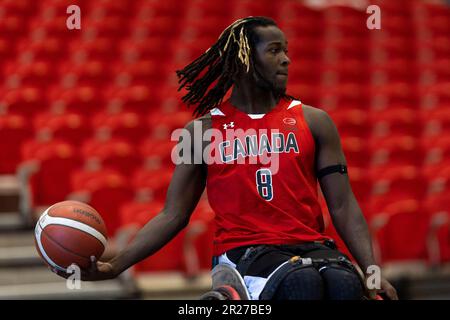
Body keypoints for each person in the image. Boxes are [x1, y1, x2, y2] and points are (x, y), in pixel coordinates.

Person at [53, 16, 398, 300]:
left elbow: (343, 206)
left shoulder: (315, 121)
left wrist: (370, 270)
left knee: (345, 285)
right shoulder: (200, 132)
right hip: (243, 252)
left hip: (309, 246)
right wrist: (116, 265)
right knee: (301, 284)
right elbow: (174, 214)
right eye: (275, 51)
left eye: (286, 50)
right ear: (244, 60)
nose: (287, 59)